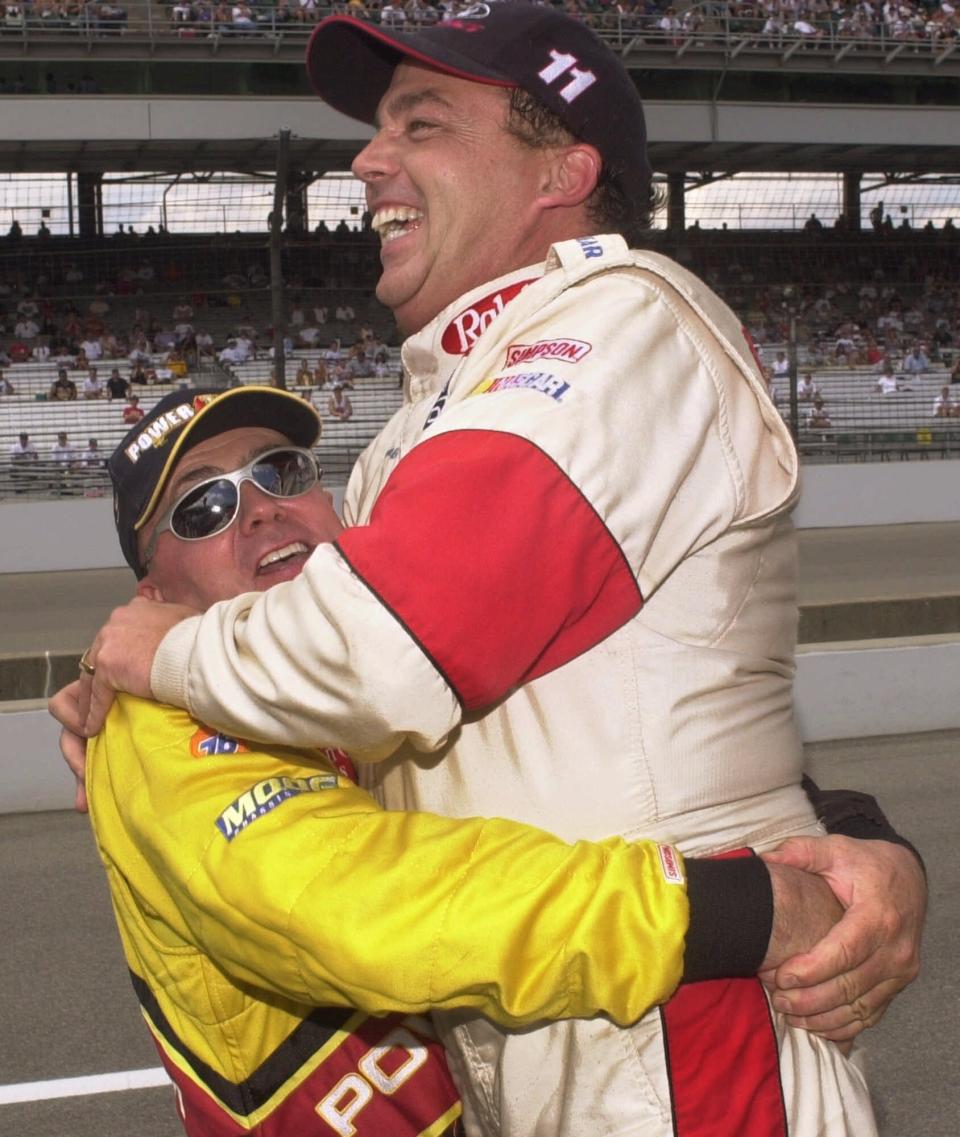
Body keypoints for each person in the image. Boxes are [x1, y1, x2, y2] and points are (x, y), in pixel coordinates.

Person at [60, 7, 925, 1136]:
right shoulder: (418, 433)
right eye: (204, 505)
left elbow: (386, 649)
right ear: (150, 565)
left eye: (423, 125)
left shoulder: (615, 322)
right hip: (561, 1036)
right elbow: (614, 709)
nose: (369, 161)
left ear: (564, 172)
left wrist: (153, 651)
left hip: (682, 1037)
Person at [75, 386, 846, 1137]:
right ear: (153, 596)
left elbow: (641, 724)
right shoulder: (155, 722)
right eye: (202, 509)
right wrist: (726, 908)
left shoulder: (363, 668)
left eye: (279, 471)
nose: (261, 509)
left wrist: (854, 832)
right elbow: (365, 909)